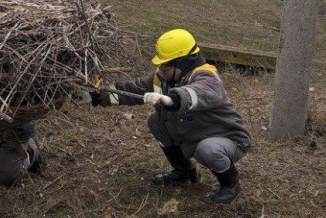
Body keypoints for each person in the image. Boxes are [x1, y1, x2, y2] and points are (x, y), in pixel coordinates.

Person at [89, 29, 251, 204]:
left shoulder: (206, 75)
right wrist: (97, 97)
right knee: (155, 120)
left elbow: (199, 92)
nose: (160, 67)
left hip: (226, 139)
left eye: (165, 64)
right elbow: (131, 90)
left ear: (180, 63)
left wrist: (172, 98)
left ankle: (230, 183)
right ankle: (185, 172)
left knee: (208, 150)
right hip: (195, 132)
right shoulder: (162, 78)